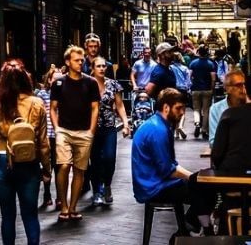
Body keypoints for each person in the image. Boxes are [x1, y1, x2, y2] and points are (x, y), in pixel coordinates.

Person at [0, 61, 52, 245]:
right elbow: (43, 141)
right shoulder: (37, 103)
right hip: (29, 160)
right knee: (30, 214)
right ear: (25, 79)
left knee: (7, 216)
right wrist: (47, 168)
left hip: (1, 159)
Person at [131, 88, 213, 236]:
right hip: (153, 187)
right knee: (204, 189)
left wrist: (194, 178)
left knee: (200, 185)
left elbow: (170, 165)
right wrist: (195, 178)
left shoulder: (159, 124)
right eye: (179, 108)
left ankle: (189, 227)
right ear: (166, 107)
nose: (182, 112)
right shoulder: (158, 130)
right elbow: (168, 170)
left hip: (153, 183)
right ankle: (198, 229)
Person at [49, 45, 99, 221]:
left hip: (84, 132)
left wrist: (91, 131)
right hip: (64, 131)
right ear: (68, 62)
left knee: (80, 170)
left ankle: (72, 207)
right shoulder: (58, 83)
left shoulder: (90, 83)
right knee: (63, 165)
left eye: (82, 60)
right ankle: (63, 204)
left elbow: (95, 108)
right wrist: (56, 128)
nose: (80, 62)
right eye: (77, 60)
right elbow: (53, 108)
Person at [89, 57, 129, 206]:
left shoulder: (113, 84)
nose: (101, 68)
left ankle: (107, 185)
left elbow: (120, 105)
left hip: (109, 126)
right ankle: (97, 191)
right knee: (95, 160)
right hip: (92, 128)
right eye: (98, 66)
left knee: (109, 157)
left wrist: (125, 124)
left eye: (103, 66)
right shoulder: (87, 83)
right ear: (92, 68)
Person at [33, 67, 59, 208]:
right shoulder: (42, 95)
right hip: (45, 134)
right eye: (55, 78)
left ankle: (60, 197)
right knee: (45, 166)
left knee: (59, 166)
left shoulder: (65, 93)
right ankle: (47, 194)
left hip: (59, 135)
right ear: (49, 80)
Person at [188, 47, 217, 140]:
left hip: (195, 89)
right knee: (206, 110)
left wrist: (191, 85)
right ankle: (204, 130)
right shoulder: (210, 64)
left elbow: (189, 76)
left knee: (196, 109)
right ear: (206, 53)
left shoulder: (193, 63)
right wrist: (212, 88)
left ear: (198, 53)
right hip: (207, 89)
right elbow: (213, 78)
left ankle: (197, 123)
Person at [208, 70, 243, 148]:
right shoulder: (216, 109)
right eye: (238, 85)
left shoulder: (250, 107)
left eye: (244, 85)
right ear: (227, 88)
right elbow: (213, 141)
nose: (242, 89)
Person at [171, 52, 192, 140]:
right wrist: (188, 88)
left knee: (175, 109)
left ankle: (176, 132)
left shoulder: (170, 68)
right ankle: (180, 126)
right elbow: (188, 81)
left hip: (174, 89)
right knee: (182, 109)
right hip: (183, 90)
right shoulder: (185, 68)